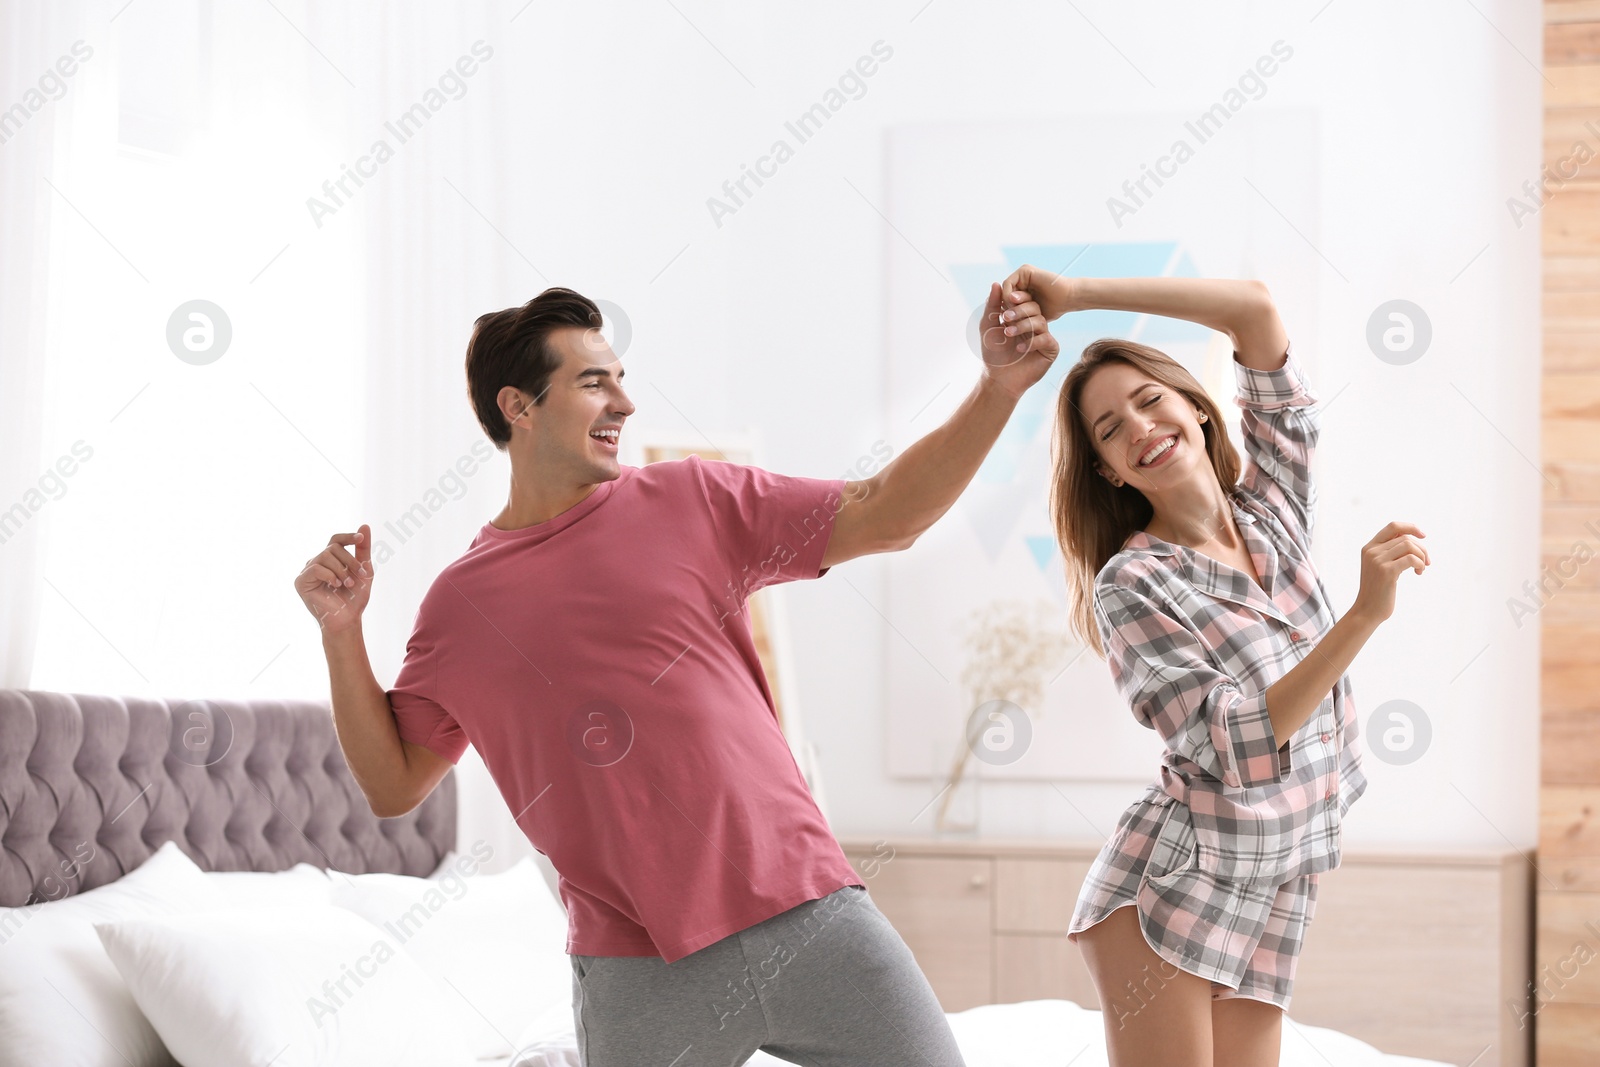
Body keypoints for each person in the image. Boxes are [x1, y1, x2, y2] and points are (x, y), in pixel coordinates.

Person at [293, 283, 1058, 1066]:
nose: (623, 401)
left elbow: (887, 510)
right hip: (639, 966)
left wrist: (999, 387)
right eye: (594, 381)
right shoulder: (462, 605)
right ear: (517, 407)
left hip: (808, 909)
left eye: (621, 377)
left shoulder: (693, 497)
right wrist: (342, 635)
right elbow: (394, 784)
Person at [1001, 265, 1429, 1067]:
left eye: (1149, 398)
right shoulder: (1133, 583)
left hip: (1277, 877)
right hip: (1173, 884)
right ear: (1110, 472)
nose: (1137, 426)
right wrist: (1364, 615)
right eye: (1108, 429)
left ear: (1196, 406)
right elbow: (1238, 741)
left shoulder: (1272, 512)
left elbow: (1256, 309)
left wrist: (1076, 295)